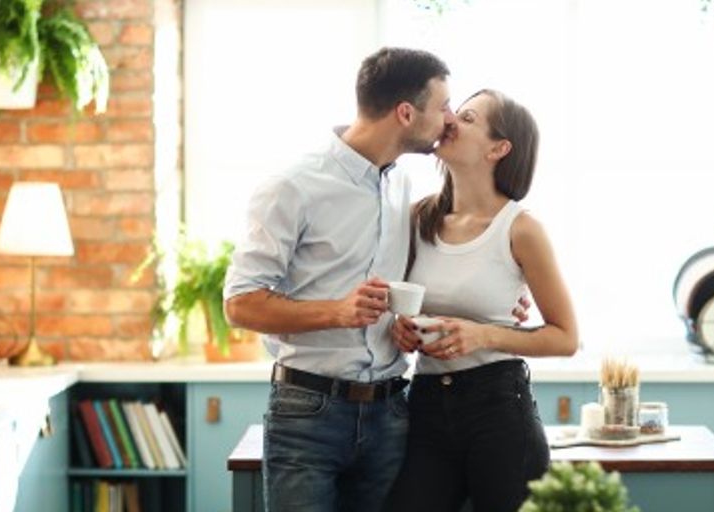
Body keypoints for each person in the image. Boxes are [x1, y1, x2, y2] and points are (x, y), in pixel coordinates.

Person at [222, 47, 456, 512]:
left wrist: (401, 326)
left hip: (391, 410)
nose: (450, 119)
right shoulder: (293, 186)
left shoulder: (401, 186)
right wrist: (337, 311)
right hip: (308, 412)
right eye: (444, 106)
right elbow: (239, 304)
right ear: (406, 113)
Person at [384, 89, 579, 512]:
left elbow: (566, 338)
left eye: (468, 117)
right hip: (426, 403)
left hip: (498, 411)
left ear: (499, 147)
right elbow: (396, 299)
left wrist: (483, 335)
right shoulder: (418, 218)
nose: (451, 120)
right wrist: (400, 327)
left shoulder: (521, 229)